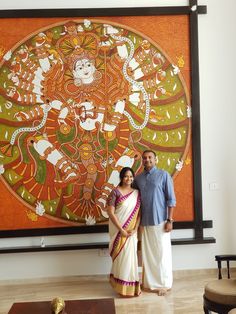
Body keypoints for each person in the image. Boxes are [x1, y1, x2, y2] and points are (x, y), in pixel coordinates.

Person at [133, 150, 176, 296]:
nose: (147, 160)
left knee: (162, 253)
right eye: (144, 158)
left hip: (161, 221)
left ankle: (164, 284)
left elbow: (171, 199)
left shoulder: (164, 175)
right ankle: (149, 283)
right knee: (148, 254)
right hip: (144, 222)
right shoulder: (138, 179)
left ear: (155, 159)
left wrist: (170, 220)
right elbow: (132, 198)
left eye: (150, 157)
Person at [107, 167, 141, 297]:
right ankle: (120, 287)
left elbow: (139, 214)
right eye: (126, 176)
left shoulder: (137, 193)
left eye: (131, 176)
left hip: (132, 232)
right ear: (121, 177)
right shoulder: (115, 192)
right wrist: (121, 230)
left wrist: (135, 229)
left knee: (130, 259)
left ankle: (130, 288)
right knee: (121, 258)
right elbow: (110, 212)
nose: (129, 179)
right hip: (119, 231)